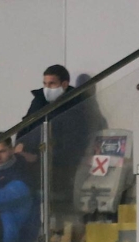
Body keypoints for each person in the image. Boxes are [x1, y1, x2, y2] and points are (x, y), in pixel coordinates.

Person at [15, 64, 92, 215]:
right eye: (44, 84)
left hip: (57, 166)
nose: (47, 88)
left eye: (52, 84)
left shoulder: (76, 106)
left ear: (64, 84)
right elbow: (25, 126)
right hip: (29, 160)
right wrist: (19, 145)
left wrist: (37, 157)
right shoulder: (38, 101)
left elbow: (73, 144)